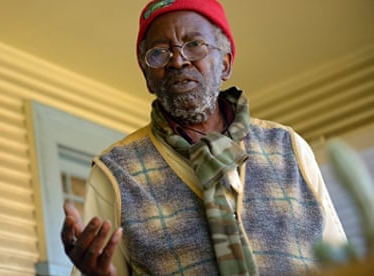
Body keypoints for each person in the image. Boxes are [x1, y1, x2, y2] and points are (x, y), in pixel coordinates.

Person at [61, 0, 347, 275]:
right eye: (159, 52)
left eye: (194, 44)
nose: (177, 60)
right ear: (148, 77)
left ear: (225, 63)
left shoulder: (288, 147)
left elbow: (344, 266)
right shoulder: (116, 172)